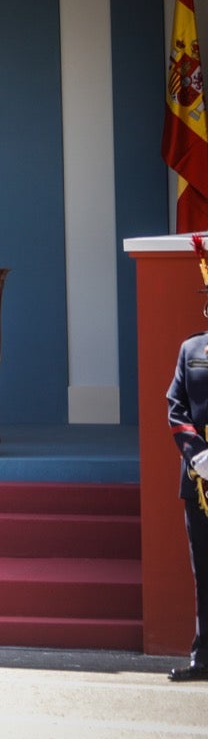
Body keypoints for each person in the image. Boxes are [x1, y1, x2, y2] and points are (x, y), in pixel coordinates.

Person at [162, 234, 208, 684]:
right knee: (204, 569)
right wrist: (198, 456)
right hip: (200, 478)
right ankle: (205, 654)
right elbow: (175, 407)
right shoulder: (192, 349)